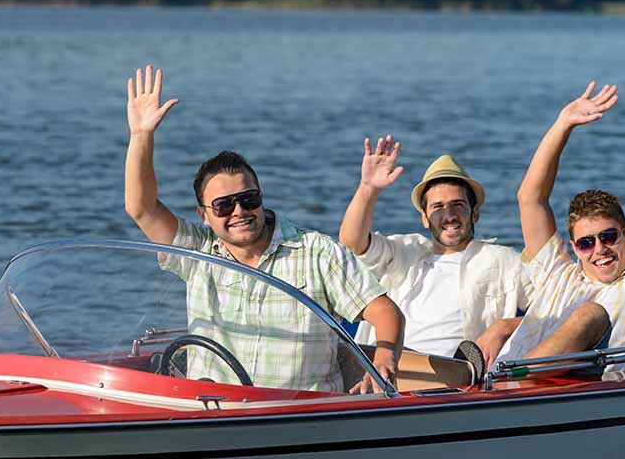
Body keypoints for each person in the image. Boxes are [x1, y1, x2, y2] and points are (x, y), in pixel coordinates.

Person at [124, 65, 404, 394]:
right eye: (224, 205)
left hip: (303, 414)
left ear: (261, 198)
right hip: (214, 411)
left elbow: (384, 310)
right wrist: (142, 136)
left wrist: (385, 356)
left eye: (248, 199)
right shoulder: (197, 251)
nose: (239, 211)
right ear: (204, 215)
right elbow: (141, 208)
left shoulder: (316, 251)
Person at [496, 54, 625, 368]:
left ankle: (513, 380)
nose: (599, 249)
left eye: (608, 236)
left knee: (591, 313)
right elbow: (530, 199)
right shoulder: (557, 276)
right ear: (575, 249)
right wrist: (563, 124)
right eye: (586, 242)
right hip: (488, 391)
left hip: (546, 394)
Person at [339, 136, 533, 367]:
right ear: (424, 218)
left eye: (458, 205)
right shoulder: (403, 251)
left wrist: (503, 328)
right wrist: (368, 188)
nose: (449, 215)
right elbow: (351, 244)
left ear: (475, 213)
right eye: (438, 207)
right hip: (389, 367)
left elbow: (554, 308)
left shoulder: (503, 260)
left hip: (457, 375)